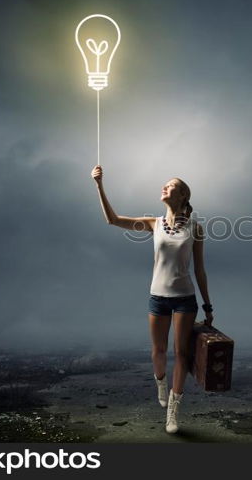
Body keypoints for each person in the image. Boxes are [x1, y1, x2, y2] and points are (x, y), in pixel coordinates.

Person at [91, 165, 214, 434]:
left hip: (185, 299)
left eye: (170, 185)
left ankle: (173, 408)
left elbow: (200, 270)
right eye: (165, 184)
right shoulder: (153, 223)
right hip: (158, 298)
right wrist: (99, 185)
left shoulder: (196, 228)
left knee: (181, 354)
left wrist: (207, 305)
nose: (164, 187)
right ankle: (160, 381)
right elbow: (112, 219)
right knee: (158, 353)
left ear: (182, 196)